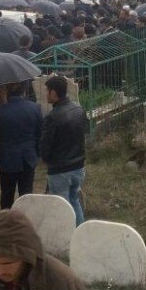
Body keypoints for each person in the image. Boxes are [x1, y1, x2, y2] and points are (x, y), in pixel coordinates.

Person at [41, 76, 89, 225]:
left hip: (60, 170)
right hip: (78, 167)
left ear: (54, 93)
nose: (45, 95)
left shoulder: (52, 117)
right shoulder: (78, 109)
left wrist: (46, 159)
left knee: (63, 209)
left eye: (47, 91)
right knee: (74, 201)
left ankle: (67, 242)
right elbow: (85, 131)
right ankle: (80, 235)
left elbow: (45, 146)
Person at [0, 81, 42, 209]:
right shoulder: (35, 108)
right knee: (26, 194)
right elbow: (39, 133)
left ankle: (6, 223)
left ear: (7, 92)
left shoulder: (0, 111)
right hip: (28, 157)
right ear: (24, 91)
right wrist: (36, 152)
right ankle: (25, 221)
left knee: (6, 195)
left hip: (8, 158)